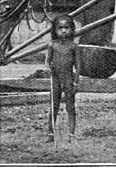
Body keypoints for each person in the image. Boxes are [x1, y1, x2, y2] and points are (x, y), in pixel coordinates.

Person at [45, 14, 81, 142]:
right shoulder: (52, 45)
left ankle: (71, 134)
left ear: (72, 29)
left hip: (68, 79)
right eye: (60, 28)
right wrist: (49, 68)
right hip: (55, 78)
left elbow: (78, 66)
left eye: (67, 27)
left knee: (70, 106)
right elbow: (47, 62)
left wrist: (76, 83)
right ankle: (50, 133)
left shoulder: (73, 46)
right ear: (55, 30)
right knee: (54, 106)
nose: (64, 31)